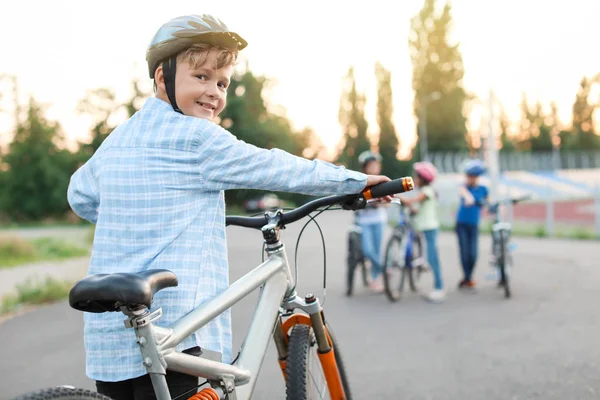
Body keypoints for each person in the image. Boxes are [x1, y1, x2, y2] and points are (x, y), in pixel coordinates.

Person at [67, 14, 391, 400]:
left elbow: (80, 195)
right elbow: (274, 167)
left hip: (109, 339)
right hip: (171, 323)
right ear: (161, 77)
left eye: (222, 83)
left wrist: (131, 213)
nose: (215, 92)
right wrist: (352, 182)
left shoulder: (119, 139)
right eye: (201, 77)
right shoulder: (198, 137)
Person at [397, 161, 444, 302]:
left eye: (416, 177)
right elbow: (418, 208)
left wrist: (399, 197)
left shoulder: (427, 191)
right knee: (428, 255)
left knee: (432, 258)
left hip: (430, 229)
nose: (414, 178)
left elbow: (412, 201)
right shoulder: (424, 191)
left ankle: (439, 288)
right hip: (423, 227)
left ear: (423, 178)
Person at [354, 151, 388, 293]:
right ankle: (384, 269)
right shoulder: (360, 183)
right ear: (365, 168)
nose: (374, 168)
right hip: (364, 221)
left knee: (377, 249)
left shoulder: (382, 182)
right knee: (368, 250)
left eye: (376, 165)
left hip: (378, 220)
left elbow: (387, 202)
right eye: (370, 166)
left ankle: (376, 278)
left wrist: (380, 202)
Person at [455, 159, 489, 290]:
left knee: (473, 254)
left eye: (472, 176)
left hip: (474, 225)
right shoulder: (463, 187)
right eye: (468, 176)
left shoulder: (483, 189)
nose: (470, 178)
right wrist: (469, 198)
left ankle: (468, 277)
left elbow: (488, 202)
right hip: (461, 224)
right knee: (464, 252)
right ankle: (467, 278)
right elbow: (465, 194)